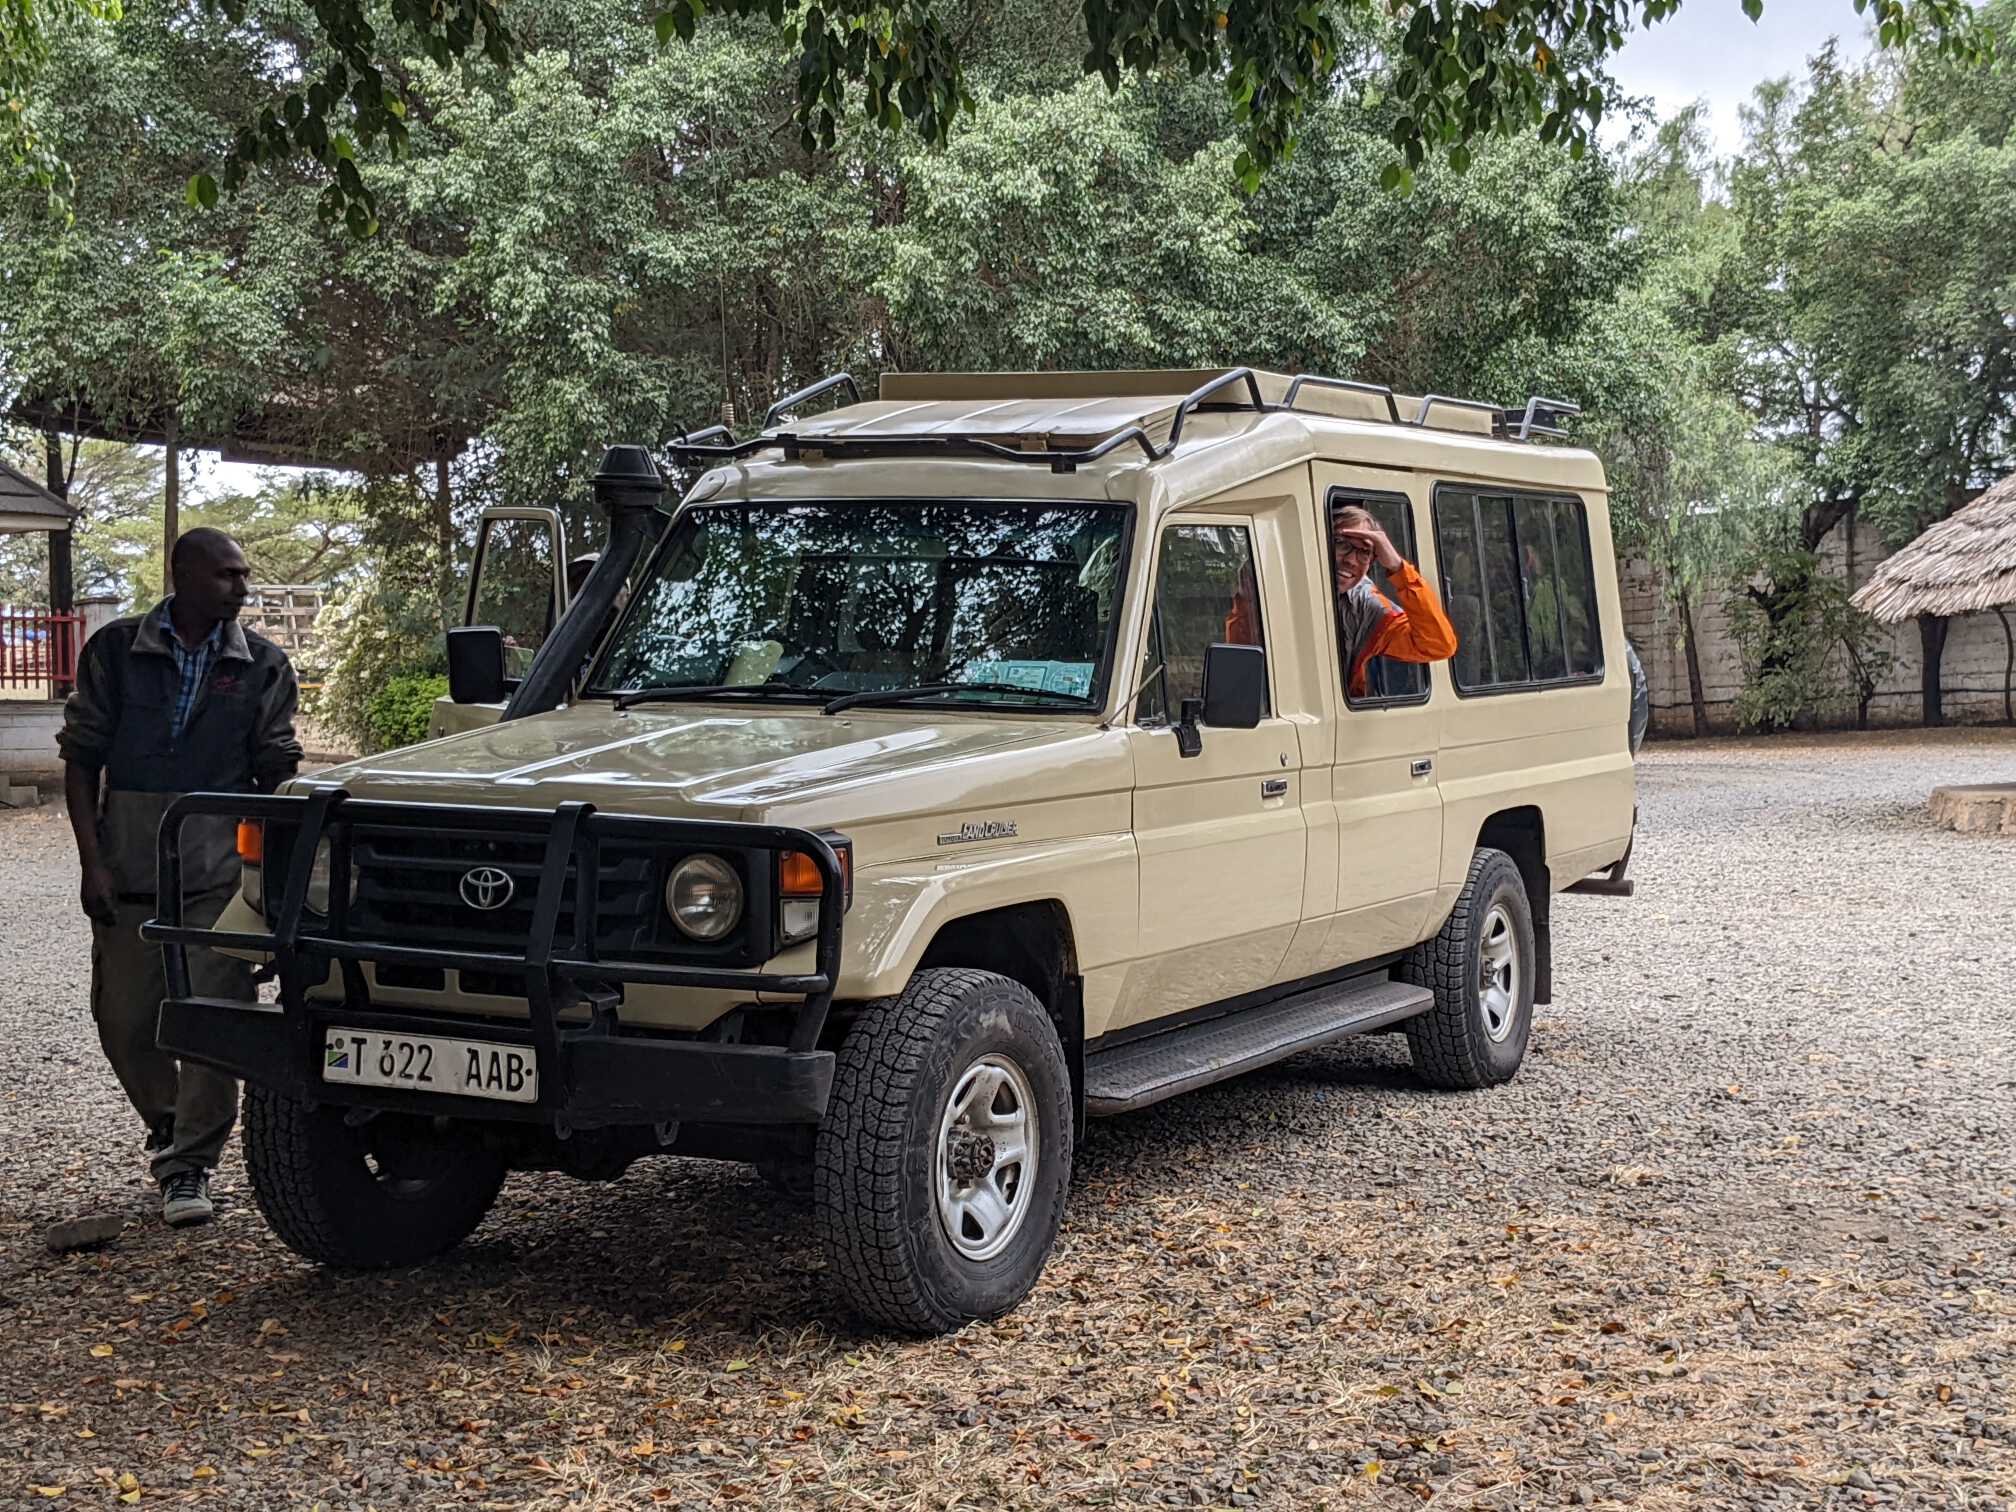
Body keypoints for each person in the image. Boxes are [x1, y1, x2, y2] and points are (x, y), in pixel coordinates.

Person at [58, 528, 302, 1228]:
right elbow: (81, 761)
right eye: (227, 575)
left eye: (243, 575)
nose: (241, 587)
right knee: (125, 1022)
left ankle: (190, 1163)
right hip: (131, 869)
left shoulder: (260, 664)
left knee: (216, 1018)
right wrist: (91, 862)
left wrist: (274, 875)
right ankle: (167, 1124)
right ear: (183, 575)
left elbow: (277, 766)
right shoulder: (117, 652)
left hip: (219, 872)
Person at [1325, 505, 1458, 697]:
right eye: (1342, 544)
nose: (1352, 560)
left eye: (1364, 552)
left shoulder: (1366, 606)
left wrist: (1397, 567)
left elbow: (1438, 645)